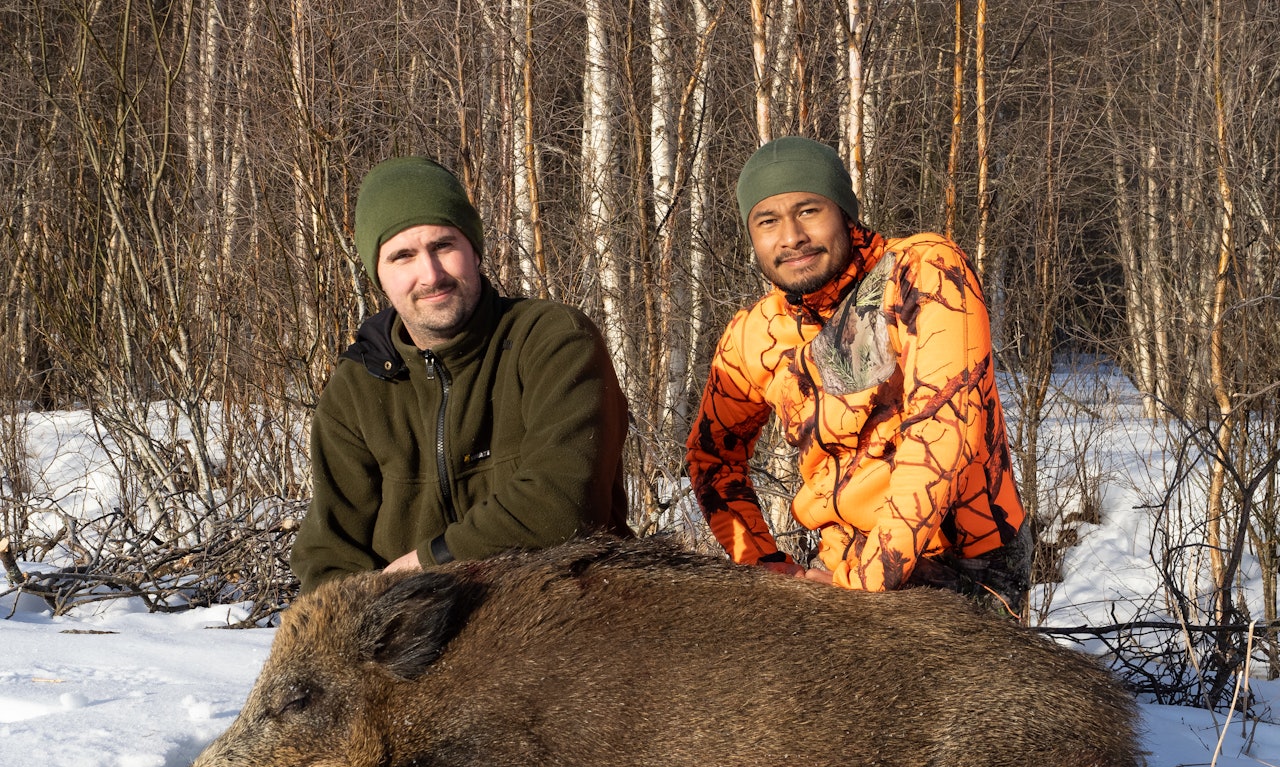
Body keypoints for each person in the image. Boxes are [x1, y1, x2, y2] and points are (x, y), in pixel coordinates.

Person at [685, 136, 1028, 612]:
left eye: (808, 211)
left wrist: (862, 588)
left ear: (845, 213)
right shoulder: (754, 335)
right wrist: (765, 568)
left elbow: (944, 429)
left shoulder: (921, 271)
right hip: (839, 566)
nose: (791, 237)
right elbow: (712, 457)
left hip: (963, 561)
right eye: (767, 221)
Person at [291, 156, 631, 593]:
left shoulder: (552, 340)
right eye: (402, 256)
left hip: (571, 606)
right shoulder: (356, 389)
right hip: (417, 625)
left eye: (443, 246)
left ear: (475, 250)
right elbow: (328, 559)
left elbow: (563, 506)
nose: (430, 275)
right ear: (379, 275)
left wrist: (426, 564)